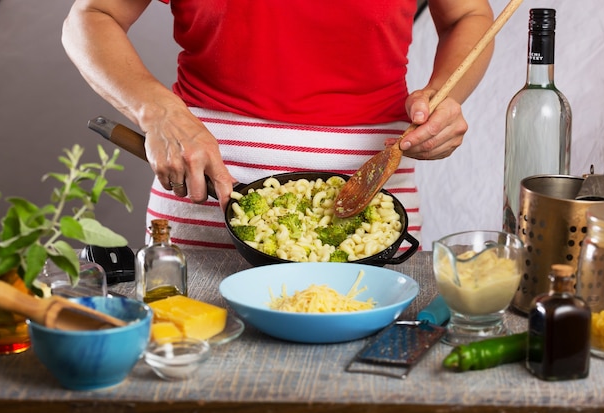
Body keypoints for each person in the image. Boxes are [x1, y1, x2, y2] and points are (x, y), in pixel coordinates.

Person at [61, 0, 494, 250]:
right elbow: (92, 14)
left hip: (369, 209)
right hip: (203, 195)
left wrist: (445, 95)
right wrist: (158, 111)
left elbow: (467, 14)